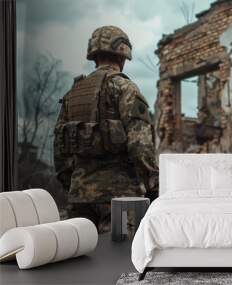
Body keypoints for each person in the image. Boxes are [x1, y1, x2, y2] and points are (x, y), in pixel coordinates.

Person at [54, 26, 158, 233]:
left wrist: (74, 186)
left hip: (80, 199)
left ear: (94, 55)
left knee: (82, 260)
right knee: (119, 261)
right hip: (120, 197)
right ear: (123, 54)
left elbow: (59, 150)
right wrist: (153, 184)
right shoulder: (125, 88)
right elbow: (140, 145)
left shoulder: (74, 93)